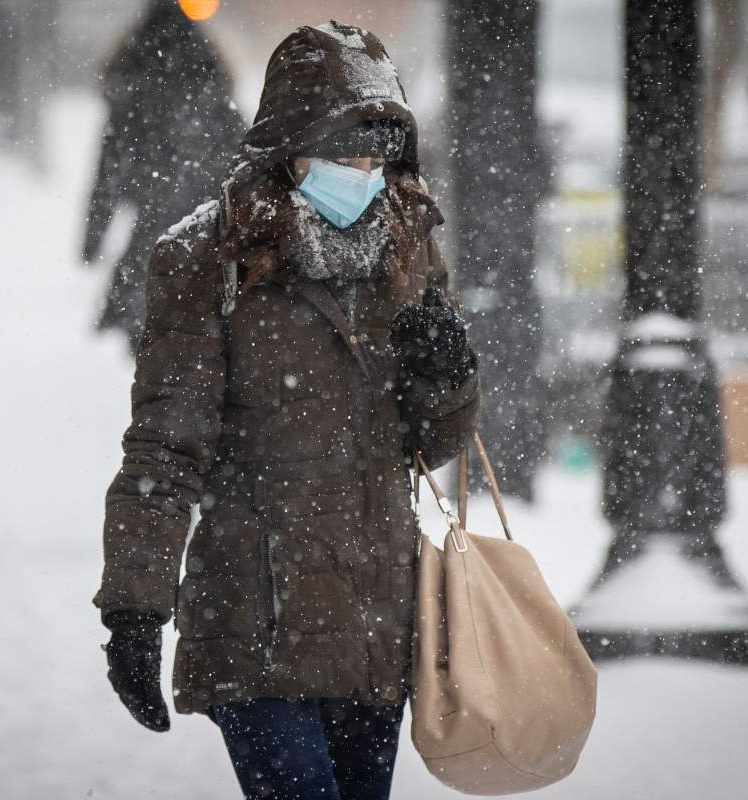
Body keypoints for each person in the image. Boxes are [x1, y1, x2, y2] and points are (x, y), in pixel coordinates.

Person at [94, 21, 480, 800]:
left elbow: (432, 443)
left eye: (378, 157)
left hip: (375, 624)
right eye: (345, 154)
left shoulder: (406, 249)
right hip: (256, 622)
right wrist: (134, 607)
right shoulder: (208, 259)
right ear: (290, 146)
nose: (365, 173)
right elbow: (164, 450)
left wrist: (447, 375)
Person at [80, 0, 243, 354]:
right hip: (204, 226)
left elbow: (109, 166)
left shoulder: (131, 70)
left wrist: (93, 237)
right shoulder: (208, 65)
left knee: (144, 336)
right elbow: (239, 150)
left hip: (148, 236)